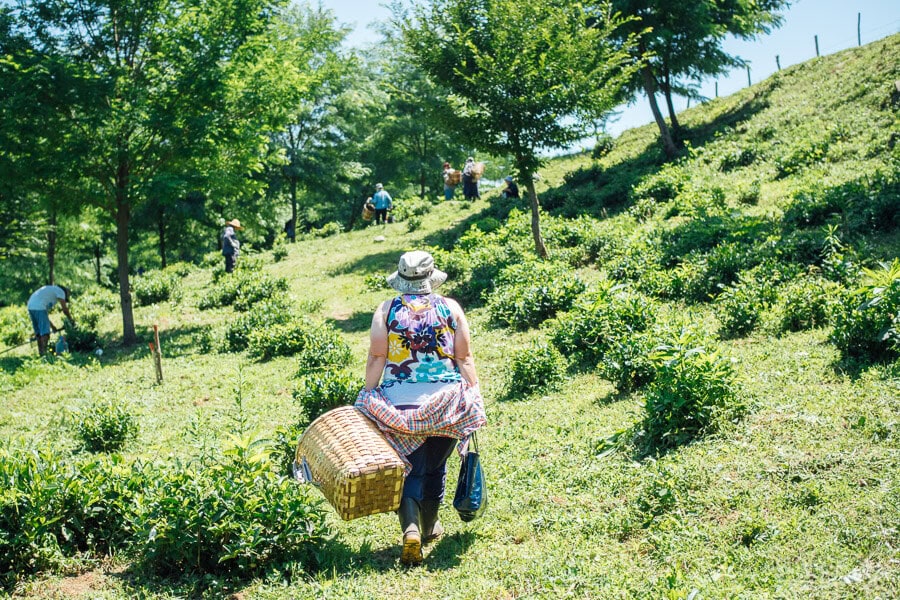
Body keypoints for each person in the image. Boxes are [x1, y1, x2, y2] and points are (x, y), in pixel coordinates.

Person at [355, 250, 486, 566]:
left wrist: (367, 394)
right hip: (446, 404)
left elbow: (377, 357)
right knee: (436, 466)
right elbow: (463, 358)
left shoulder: (386, 310)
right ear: (431, 278)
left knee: (407, 467)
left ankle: (411, 529)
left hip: (399, 408)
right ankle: (429, 526)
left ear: (402, 279)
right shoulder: (451, 308)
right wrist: (475, 393)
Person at [27, 284, 74, 356]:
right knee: (45, 333)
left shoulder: (52, 292)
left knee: (39, 333)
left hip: (31, 305)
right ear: (66, 293)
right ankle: (44, 354)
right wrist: (71, 320)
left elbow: (44, 315)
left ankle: (41, 354)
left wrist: (52, 327)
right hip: (38, 306)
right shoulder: (61, 291)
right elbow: (65, 310)